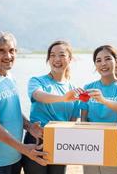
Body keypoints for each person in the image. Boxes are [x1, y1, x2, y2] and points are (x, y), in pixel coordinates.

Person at [0, 32, 48, 174]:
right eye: (2, 51)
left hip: (14, 157)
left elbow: (12, 111)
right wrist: (25, 149)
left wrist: (29, 127)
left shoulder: (8, 76)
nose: (8, 56)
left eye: (11, 50)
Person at [22, 40, 81, 174]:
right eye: (52, 55)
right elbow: (38, 95)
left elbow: (72, 122)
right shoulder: (37, 81)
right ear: (48, 59)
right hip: (37, 140)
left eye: (61, 55)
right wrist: (63, 98)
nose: (56, 59)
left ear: (70, 59)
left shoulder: (73, 90)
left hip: (61, 142)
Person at [80, 45, 117, 174]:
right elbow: (83, 119)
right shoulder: (88, 87)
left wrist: (103, 100)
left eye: (108, 58)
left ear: (116, 61)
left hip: (115, 142)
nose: (103, 63)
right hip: (90, 141)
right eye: (98, 60)